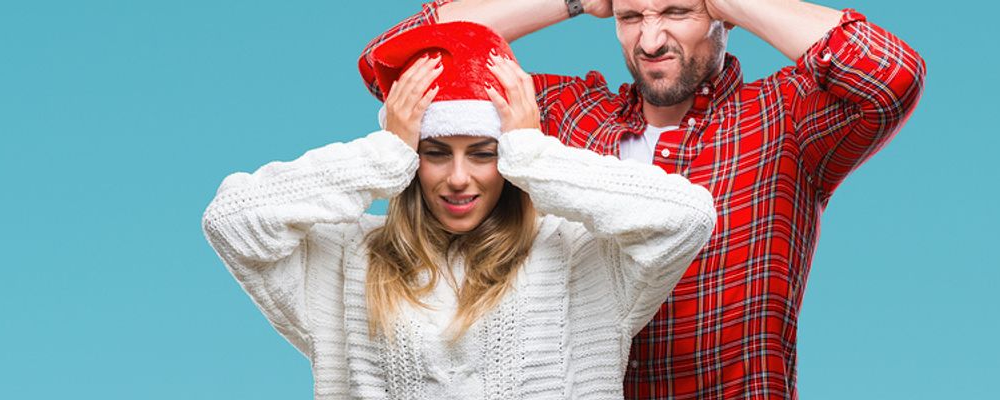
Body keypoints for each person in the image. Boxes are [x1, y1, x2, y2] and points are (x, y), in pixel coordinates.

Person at [359, 0, 926, 398]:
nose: (651, 41)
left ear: (722, 18)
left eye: (677, 13)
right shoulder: (566, 116)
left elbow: (892, 74)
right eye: (632, 17)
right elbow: (398, 61)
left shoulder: (782, 120)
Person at [203, 22, 715, 399]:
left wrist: (535, 154)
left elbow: (687, 216)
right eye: (435, 152)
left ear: (507, 158)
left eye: (483, 152)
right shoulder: (349, 260)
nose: (458, 178)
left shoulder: (579, 258)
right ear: (412, 158)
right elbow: (232, 219)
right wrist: (381, 154)